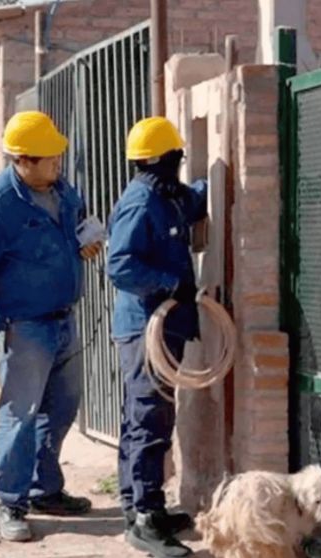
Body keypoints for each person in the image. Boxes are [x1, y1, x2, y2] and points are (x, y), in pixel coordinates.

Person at [0, 111, 103, 542]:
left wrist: (84, 241)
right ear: (23, 160)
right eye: (50, 160)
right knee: (21, 417)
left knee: (63, 409)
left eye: (58, 158)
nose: (58, 166)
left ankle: (45, 489)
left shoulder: (62, 190)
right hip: (23, 328)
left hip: (64, 318)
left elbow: (76, 223)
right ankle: (10, 501)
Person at [106, 116, 207, 558]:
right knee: (149, 420)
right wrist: (170, 285)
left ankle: (139, 505)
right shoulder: (141, 203)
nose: (181, 164)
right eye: (177, 157)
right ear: (165, 159)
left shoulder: (165, 195)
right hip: (146, 327)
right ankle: (145, 517)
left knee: (145, 418)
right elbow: (121, 266)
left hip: (166, 326)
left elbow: (194, 201)